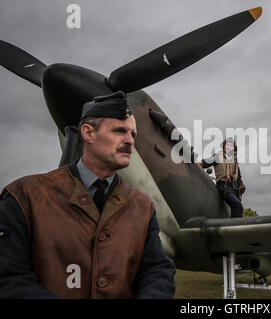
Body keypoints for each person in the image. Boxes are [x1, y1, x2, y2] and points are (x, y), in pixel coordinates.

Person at [0, 91, 176, 298]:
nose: (130, 141)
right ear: (88, 133)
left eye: (133, 134)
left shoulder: (143, 206)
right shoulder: (24, 196)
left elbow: (157, 270)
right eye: (120, 131)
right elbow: (9, 277)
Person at [199, 137, 246, 218]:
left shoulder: (235, 162)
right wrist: (195, 162)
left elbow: (238, 178)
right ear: (223, 147)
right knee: (237, 205)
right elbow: (204, 163)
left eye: (231, 145)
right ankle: (233, 230)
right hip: (223, 186)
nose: (229, 147)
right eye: (227, 145)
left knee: (239, 208)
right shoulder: (217, 156)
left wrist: (241, 184)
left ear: (234, 148)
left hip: (234, 189)